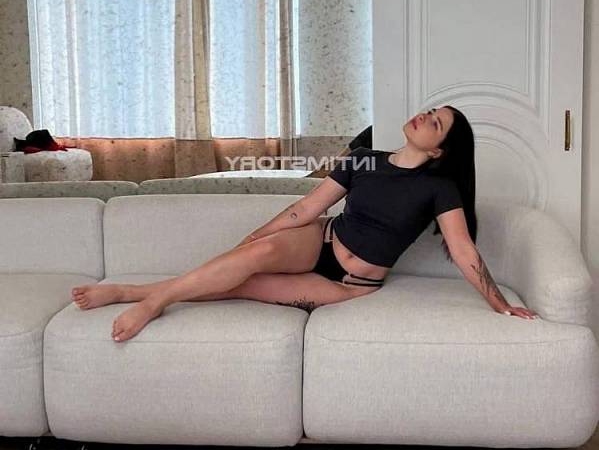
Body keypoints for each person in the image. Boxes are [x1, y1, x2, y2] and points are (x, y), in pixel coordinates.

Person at [72, 106, 538, 342]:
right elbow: (308, 209)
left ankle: (131, 292)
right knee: (253, 256)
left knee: (241, 285)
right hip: (321, 240)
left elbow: (463, 250)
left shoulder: (439, 187)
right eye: (430, 110)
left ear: (438, 150)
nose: (424, 116)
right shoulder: (364, 159)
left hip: (349, 283)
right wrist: (258, 237)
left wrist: (499, 304)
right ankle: (153, 303)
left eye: (435, 123)